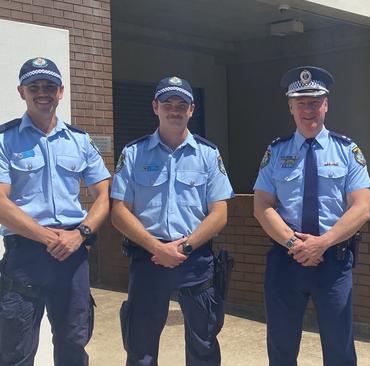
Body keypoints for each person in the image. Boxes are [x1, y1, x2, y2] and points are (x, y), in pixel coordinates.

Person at [253, 66, 370, 366]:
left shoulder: (347, 150)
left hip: (333, 262)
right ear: (291, 107)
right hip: (285, 261)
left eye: (315, 101)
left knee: (339, 348)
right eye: (301, 102)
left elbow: (361, 207)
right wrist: (295, 244)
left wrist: (323, 243)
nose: (309, 110)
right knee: (281, 346)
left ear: (326, 105)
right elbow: (262, 206)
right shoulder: (276, 152)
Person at [111, 76, 234, 366]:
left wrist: (185, 247)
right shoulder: (133, 153)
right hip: (148, 260)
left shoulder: (207, 154)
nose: (174, 110)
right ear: (156, 107)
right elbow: (119, 211)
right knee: (140, 346)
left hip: (195, 262)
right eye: (168, 104)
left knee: (203, 343)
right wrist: (157, 248)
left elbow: (220, 213)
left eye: (182, 105)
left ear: (192, 109)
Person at [0, 57, 110, 366]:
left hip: (72, 258)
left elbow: (103, 193)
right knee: (15, 350)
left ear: (61, 91)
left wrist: (82, 233)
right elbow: (1, 202)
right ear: (22, 92)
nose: (42, 93)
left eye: (49, 86)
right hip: (25, 256)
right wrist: (49, 237)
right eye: (34, 87)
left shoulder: (80, 141)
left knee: (74, 344)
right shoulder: (5, 140)